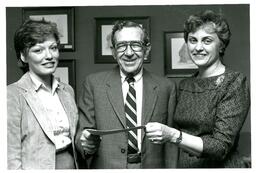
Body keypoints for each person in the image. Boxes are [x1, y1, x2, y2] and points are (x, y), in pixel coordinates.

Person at [145, 10, 250, 168]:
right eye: (193, 40)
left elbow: (220, 147)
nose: (198, 47)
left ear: (221, 45)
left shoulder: (234, 82)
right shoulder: (185, 84)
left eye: (207, 41)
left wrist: (173, 135)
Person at [75, 20, 177, 168]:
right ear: (114, 52)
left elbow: (171, 145)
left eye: (136, 45)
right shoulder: (93, 84)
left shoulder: (166, 87)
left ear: (146, 50)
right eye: (122, 46)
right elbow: (82, 135)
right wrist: (84, 141)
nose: (129, 53)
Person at [7, 19, 79, 169]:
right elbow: (10, 157)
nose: (49, 56)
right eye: (38, 50)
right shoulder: (11, 95)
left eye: (53, 48)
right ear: (23, 56)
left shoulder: (67, 91)